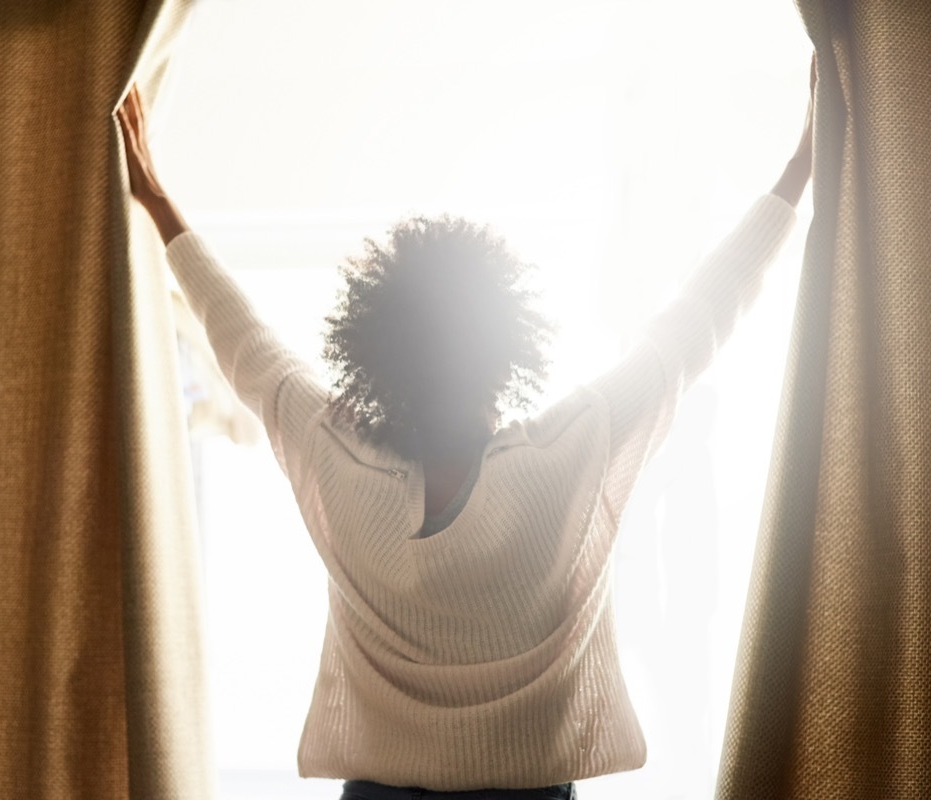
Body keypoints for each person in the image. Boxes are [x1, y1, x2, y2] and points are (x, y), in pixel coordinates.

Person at [116, 58, 813, 799]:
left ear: (375, 356)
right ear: (503, 351)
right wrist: (799, 173)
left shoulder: (339, 458)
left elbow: (242, 340)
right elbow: (696, 322)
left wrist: (159, 205)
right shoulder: (571, 452)